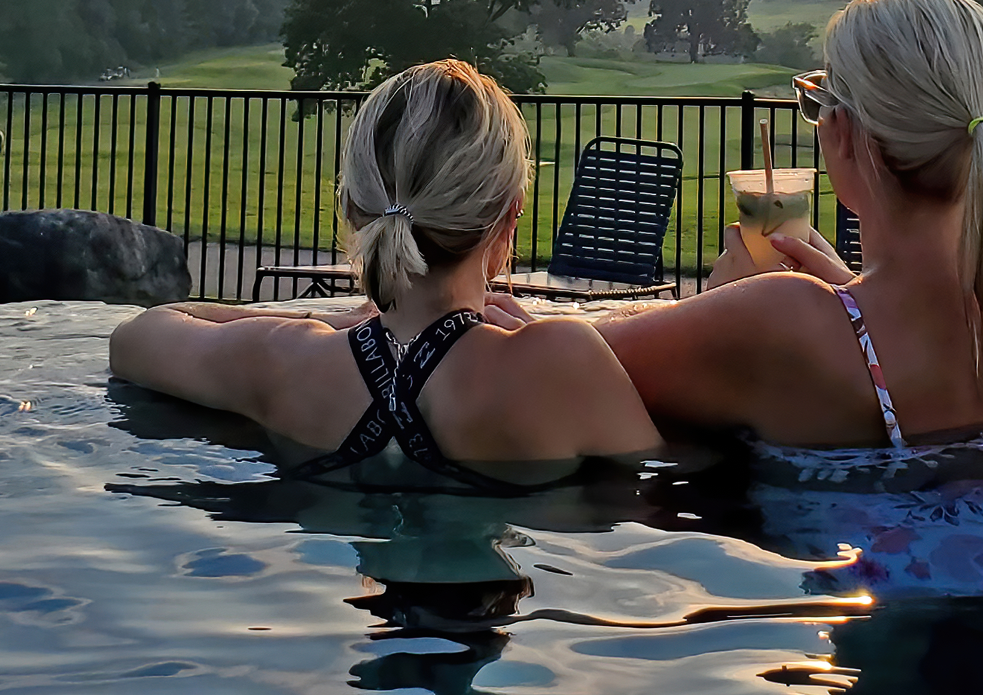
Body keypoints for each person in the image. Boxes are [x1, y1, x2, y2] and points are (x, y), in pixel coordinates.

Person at [599, 0, 983, 451]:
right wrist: (848, 295)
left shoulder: (777, 320)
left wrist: (724, 308)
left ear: (847, 134)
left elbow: (560, 359)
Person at [109, 58, 661, 491]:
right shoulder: (563, 361)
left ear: (352, 207)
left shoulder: (283, 360)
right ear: (509, 215)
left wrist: (322, 320)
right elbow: (658, 491)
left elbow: (138, 336)